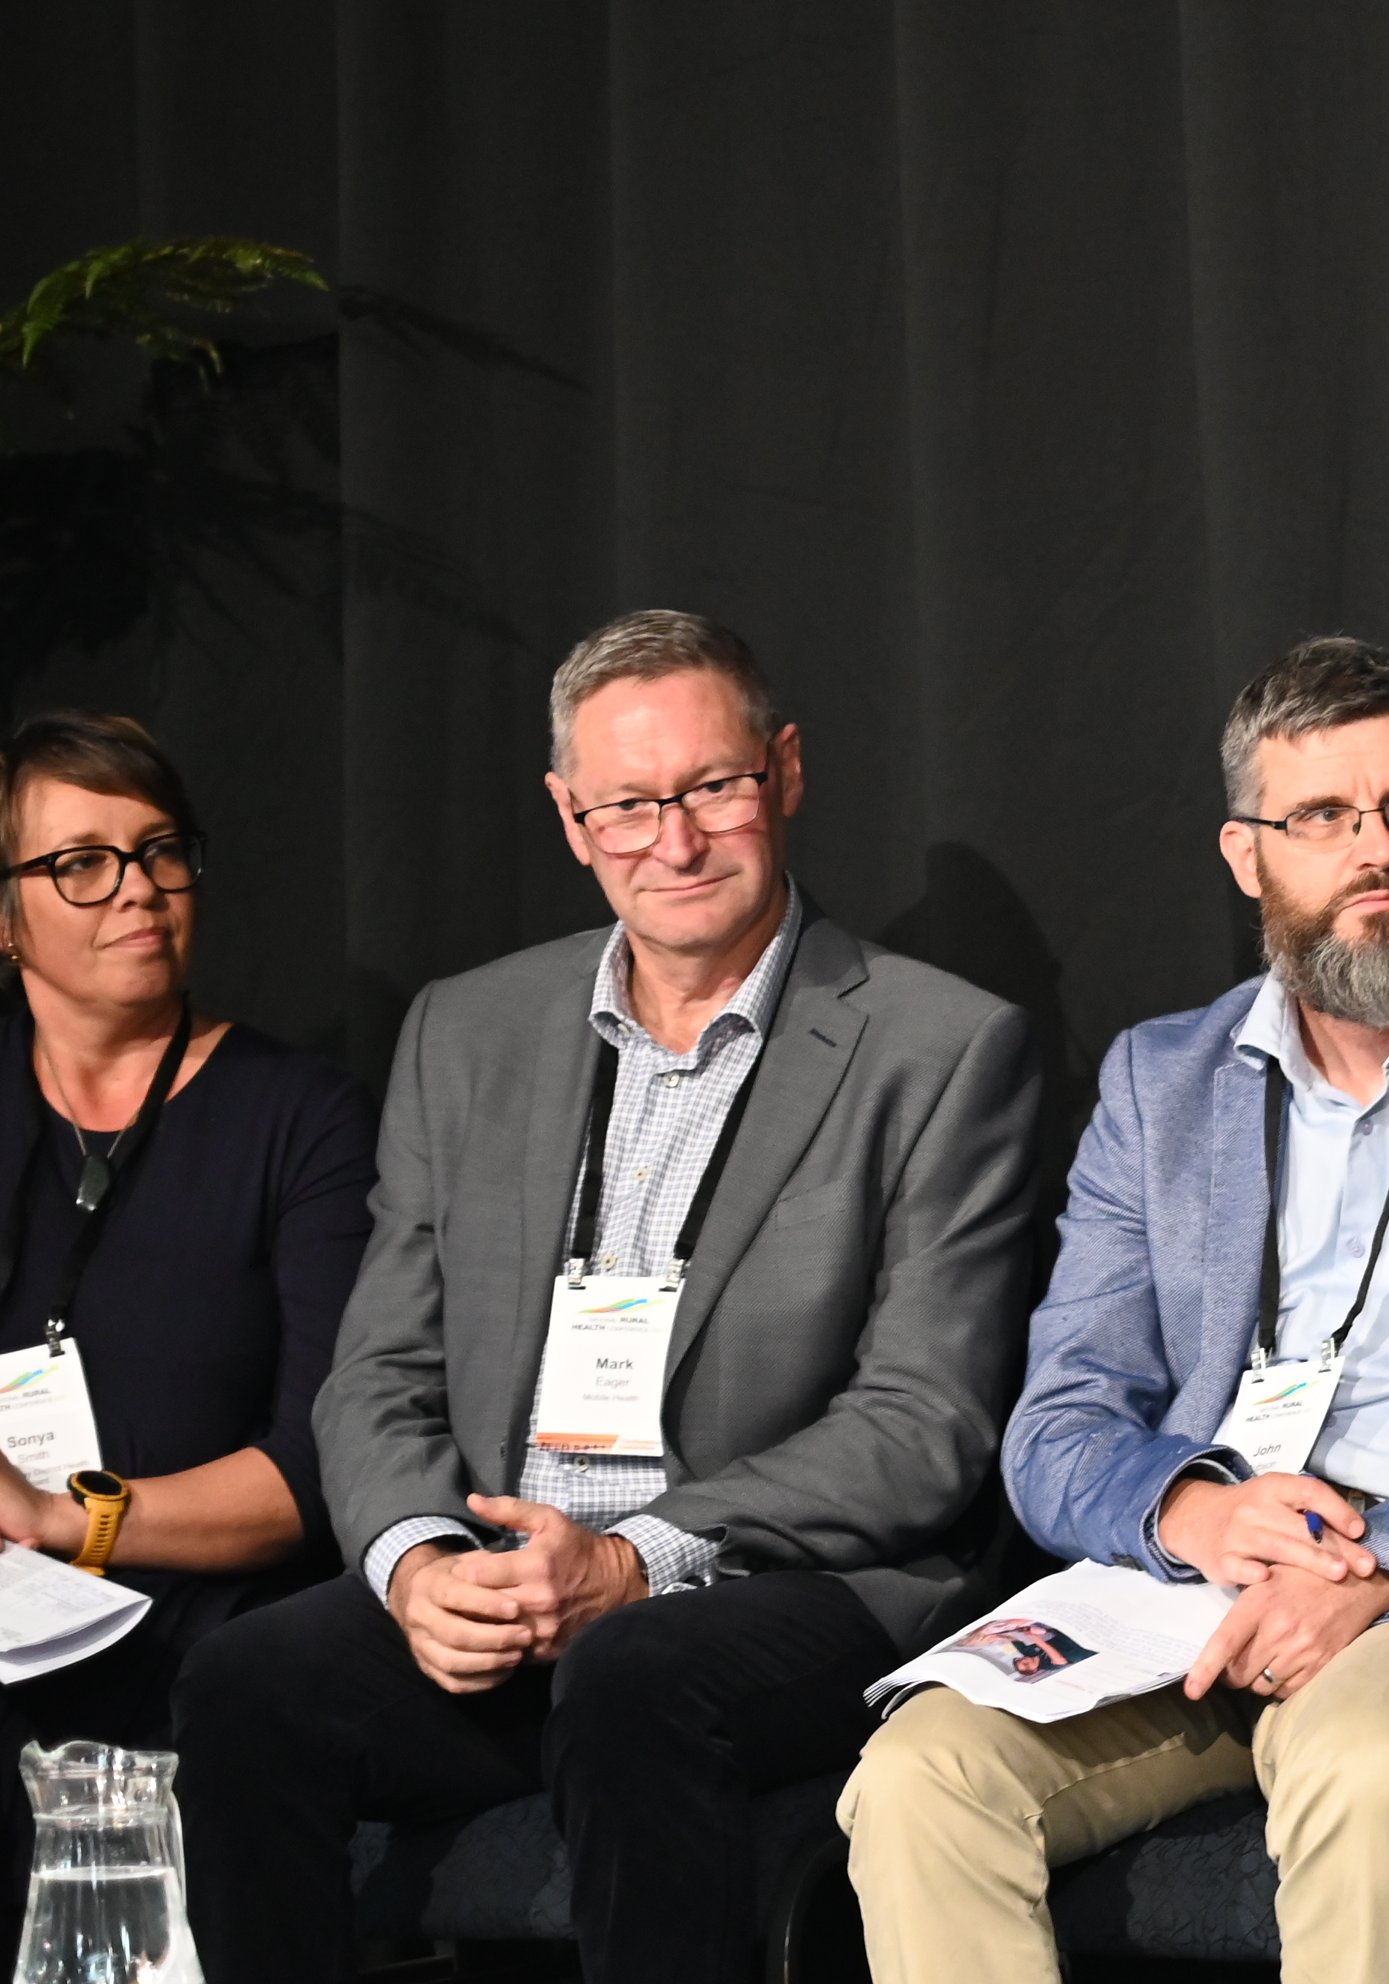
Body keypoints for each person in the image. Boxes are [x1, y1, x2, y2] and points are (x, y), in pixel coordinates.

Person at [171, 611, 1047, 1983]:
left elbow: (922, 1423)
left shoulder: (941, 1047)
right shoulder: (465, 1031)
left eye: (711, 788)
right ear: (570, 818)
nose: (676, 842)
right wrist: (412, 1566)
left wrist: (639, 1559)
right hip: (505, 1576)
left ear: (787, 773)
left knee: (634, 1677)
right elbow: (380, 1371)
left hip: (778, 1586)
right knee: (247, 1686)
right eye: (629, 804)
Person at [840, 636, 1389, 1983]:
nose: (1377, 851)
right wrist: (1195, 1513)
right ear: (1247, 854)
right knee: (919, 1776)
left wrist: (1381, 1560)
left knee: (1362, 1764)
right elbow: (1061, 1418)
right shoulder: (1160, 1085)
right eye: (1323, 816)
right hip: (1191, 1590)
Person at [0, 716, 373, 1875]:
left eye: (161, 850)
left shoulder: (302, 1118)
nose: (139, 890)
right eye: (82, 863)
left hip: (198, 1618)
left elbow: (318, 1470)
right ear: (6, 918)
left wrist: (73, 1520)